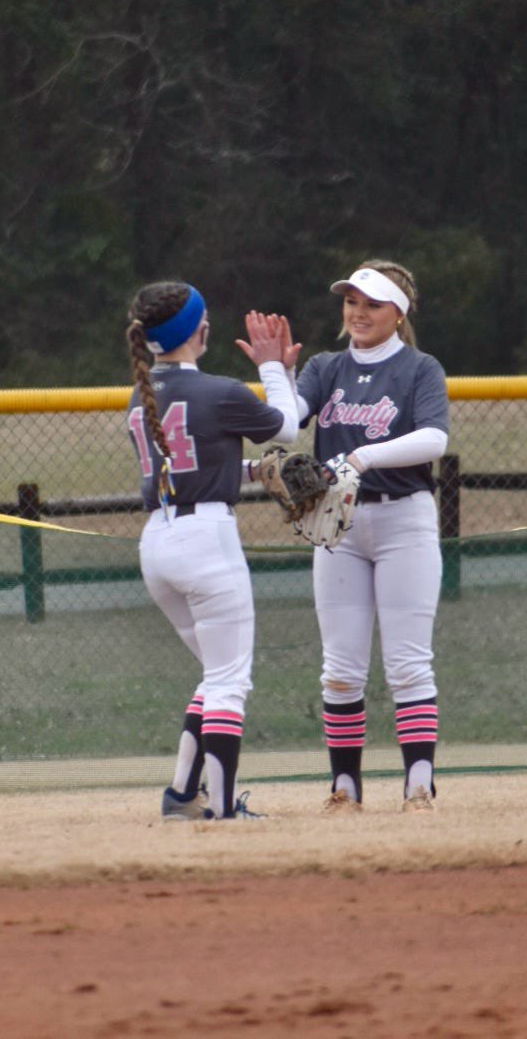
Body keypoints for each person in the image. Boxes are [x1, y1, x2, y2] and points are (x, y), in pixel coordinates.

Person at [126, 280, 299, 821]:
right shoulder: (219, 390)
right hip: (206, 542)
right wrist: (274, 367)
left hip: (157, 542)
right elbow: (288, 429)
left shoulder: (143, 391)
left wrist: (244, 469)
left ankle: (182, 794)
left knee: (216, 673)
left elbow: (189, 461)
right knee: (228, 680)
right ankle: (223, 810)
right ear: (199, 330)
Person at [283, 259, 449, 813]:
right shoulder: (325, 367)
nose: (358, 311)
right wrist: (273, 374)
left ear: (398, 313)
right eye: (352, 301)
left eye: (372, 303)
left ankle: (419, 785)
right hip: (340, 525)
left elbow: (433, 439)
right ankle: (345, 787)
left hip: (405, 517)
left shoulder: (419, 368)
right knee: (341, 667)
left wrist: (361, 456)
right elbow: (285, 426)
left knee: (407, 662)